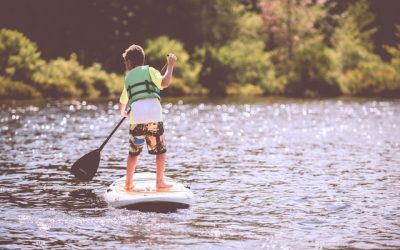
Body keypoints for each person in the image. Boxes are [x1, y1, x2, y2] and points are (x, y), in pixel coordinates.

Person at [119, 44, 176, 191]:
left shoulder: (127, 78)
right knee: (160, 151)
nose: (125, 65)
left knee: (133, 153)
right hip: (154, 116)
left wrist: (123, 112)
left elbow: (123, 101)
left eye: (126, 62)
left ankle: (128, 184)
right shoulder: (150, 70)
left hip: (136, 118)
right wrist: (170, 66)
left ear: (129, 62)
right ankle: (159, 182)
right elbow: (165, 83)